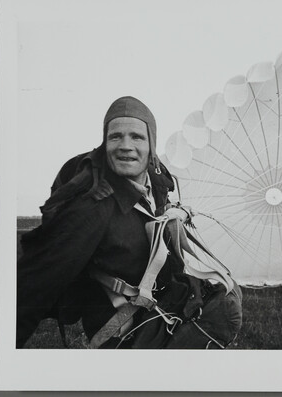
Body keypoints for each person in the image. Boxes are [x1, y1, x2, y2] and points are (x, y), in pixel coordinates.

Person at [17, 96, 242, 349]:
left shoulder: (156, 181)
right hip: (126, 331)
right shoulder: (91, 210)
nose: (125, 146)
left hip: (165, 304)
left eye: (136, 136)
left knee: (227, 302)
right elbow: (30, 289)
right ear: (105, 143)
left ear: (151, 145)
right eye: (115, 137)